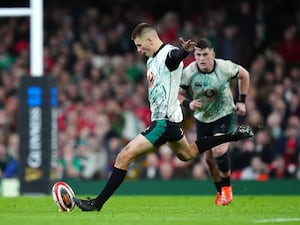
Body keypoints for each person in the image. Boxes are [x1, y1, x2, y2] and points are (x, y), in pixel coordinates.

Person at [73, 23, 253, 212]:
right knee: (188, 154)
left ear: (150, 39)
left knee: (123, 157)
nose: (139, 50)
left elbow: (175, 58)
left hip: (163, 122)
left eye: (140, 45)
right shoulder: (152, 59)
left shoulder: (168, 53)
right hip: (171, 121)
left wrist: (183, 51)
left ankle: (96, 204)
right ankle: (233, 136)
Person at [180, 38, 251, 205]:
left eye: (205, 54)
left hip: (224, 113)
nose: (202, 58)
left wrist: (241, 100)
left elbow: (244, 75)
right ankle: (220, 192)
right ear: (194, 55)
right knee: (209, 160)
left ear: (213, 54)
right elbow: (177, 93)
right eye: (198, 54)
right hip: (202, 119)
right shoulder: (189, 72)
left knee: (219, 151)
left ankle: (227, 189)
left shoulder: (224, 67)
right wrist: (188, 103)